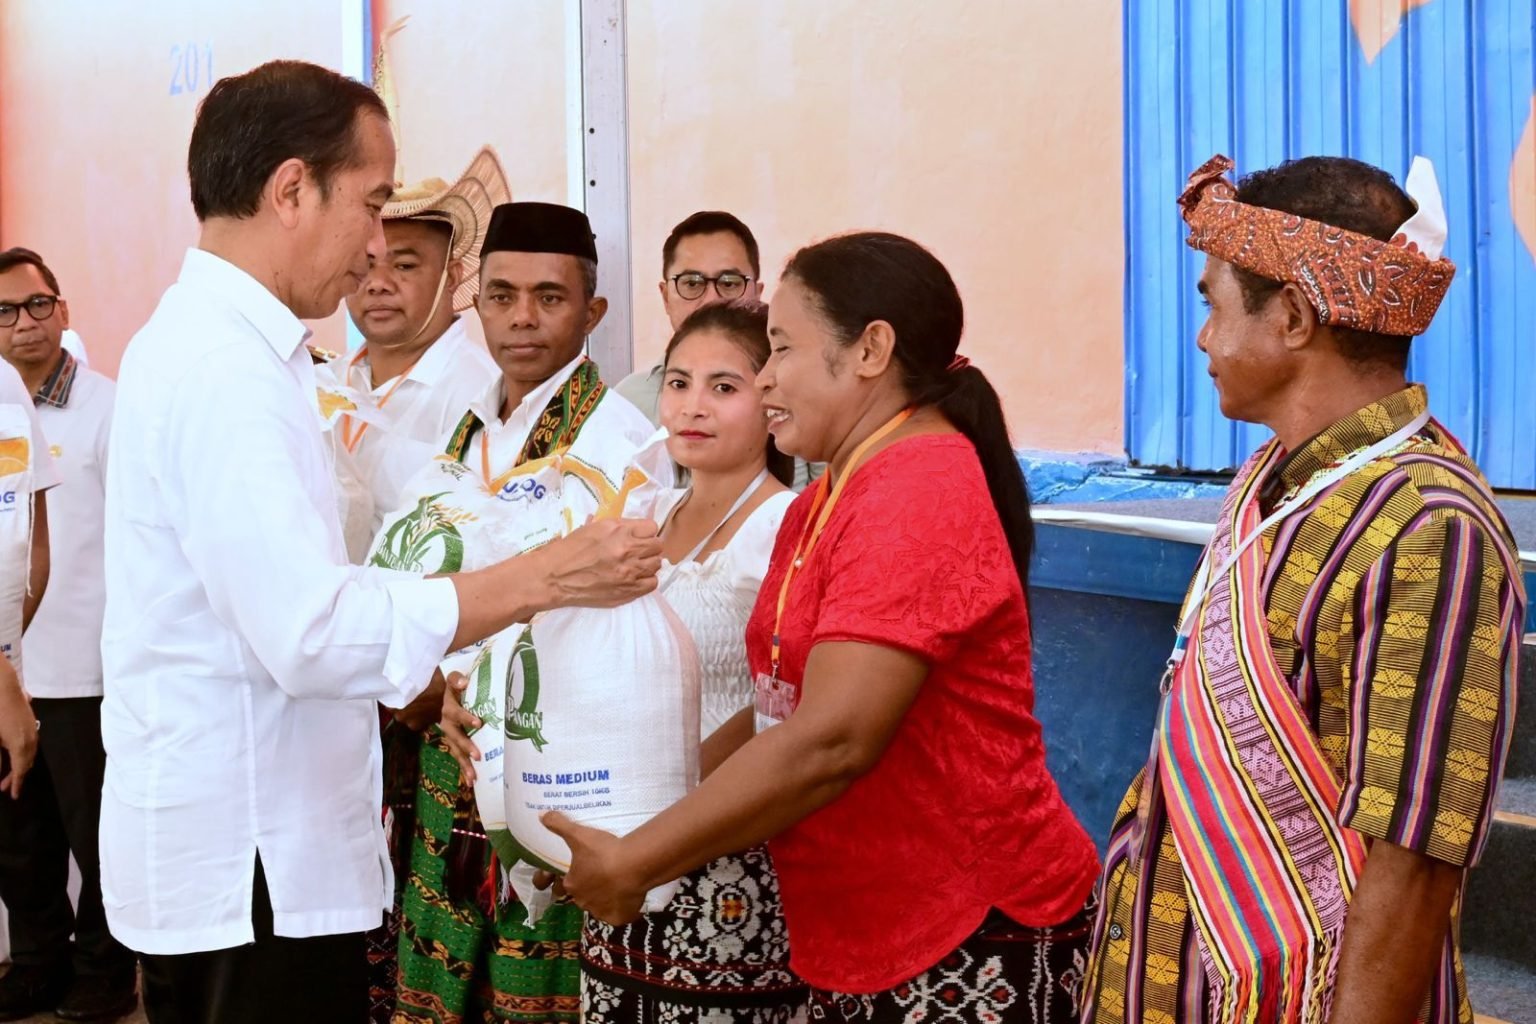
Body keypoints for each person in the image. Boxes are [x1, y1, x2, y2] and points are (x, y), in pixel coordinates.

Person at [99, 61, 661, 1024]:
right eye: (370, 206)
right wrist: (536, 579)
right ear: (290, 191)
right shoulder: (224, 371)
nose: (373, 248)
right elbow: (311, 630)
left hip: (259, 839)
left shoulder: (231, 351)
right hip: (253, 857)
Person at [548, 231, 1101, 1023]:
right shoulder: (828, 494)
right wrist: (646, 808)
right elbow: (785, 705)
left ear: (871, 349)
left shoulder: (919, 489)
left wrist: (640, 858)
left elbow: (835, 737)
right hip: (858, 928)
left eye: (781, 349)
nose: (767, 378)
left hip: (966, 933)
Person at [1079, 155, 1524, 1024]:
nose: (1203, 336)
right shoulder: (1274, 485)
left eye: (1213, 303)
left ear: (1291, 316)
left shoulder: (1431, 526)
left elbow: (1415, 856)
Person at [389, 200, 654, 1024]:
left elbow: (633, 621)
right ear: (476, 302)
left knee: (535, 993)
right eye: (501, 296)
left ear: (592, 311)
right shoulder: (465, 434)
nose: (522, 319)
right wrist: (434, 687)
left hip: (554, 761)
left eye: (550, 296)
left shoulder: (625, 442)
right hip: (449, 747)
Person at [580, 300, 804, 1023]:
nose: (692, 407)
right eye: (677, 383)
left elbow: (787, 697)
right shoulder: (645, 516)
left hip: (727, 851)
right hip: (624, 838)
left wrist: (672, 795)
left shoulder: (783, 525)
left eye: (724, 387)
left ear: (770, 400)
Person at [0, 248, 134, 1022]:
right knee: (19, 841)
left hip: (86, 669)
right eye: (8, 311)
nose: (27, 324)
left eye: (39, 304)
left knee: (96, 837)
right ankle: (37, 961)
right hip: (6, 673)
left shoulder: (112, 410)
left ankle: (104, 970)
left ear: (65, 309)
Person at [333, 147, 506, 538]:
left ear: (453, 275)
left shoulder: (482, 397)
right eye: (365, 263)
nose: (377, 283)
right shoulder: (322, 382)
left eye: (404, 265)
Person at [613, 211, 763, 422]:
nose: (712, 300)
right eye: (692, 283)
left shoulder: (792, 397)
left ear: (757, 294)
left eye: (729, 283)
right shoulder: (629, 403)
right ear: (666, 297)